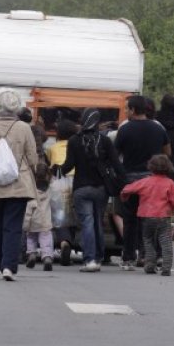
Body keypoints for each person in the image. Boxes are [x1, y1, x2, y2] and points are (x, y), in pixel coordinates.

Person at [0, 88, 38, 281]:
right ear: (16, 106)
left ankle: (1, 262)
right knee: (13, 226)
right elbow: (33, 158)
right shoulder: (24, 128)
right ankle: (8, 267)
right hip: (18, 184)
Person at [57, 108, 124, 272]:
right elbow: (117, 165)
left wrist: (56, 170)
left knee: (87, 223)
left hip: (81, 188)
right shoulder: (105, 141)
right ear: (98, 122)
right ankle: (99, 257)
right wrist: (124, 182)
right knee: (97, 223)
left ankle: (90, 259)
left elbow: (68, 166)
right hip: (101, 189)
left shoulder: (74, 140)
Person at [114, 95, 171, 269]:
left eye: (127, 109)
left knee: (130, 220)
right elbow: (167, 152)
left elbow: (116, 156)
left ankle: (129, 258)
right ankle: (149, 255)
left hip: (130, 180)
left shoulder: (125, 130)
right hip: (151, 180)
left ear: (132, 110)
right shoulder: (158, 129)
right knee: (150, 219)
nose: (126, 112)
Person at [120, 154, 174, 276]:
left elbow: (127, 189)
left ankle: (149, 265)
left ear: (151, 167)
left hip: (147, 217)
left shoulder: (145, 181)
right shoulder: (170, 183)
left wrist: (124, 196)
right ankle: (166, 267)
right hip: (163, 216)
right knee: (165, 241)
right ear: (168, 167)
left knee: (148, 240)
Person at [20, 108, 54, 272]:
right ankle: (47, 255)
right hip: (42, 189)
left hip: (28, 180)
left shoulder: (20, 131)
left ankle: (31, 253)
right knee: (45, 232)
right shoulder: (37, 131)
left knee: (30, 232)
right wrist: (41, 125)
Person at [46, 119, 77, 266]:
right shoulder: (77, 145)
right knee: (73, 215)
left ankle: (64, 242)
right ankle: (69, 244)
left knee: (60, 216)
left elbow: (51, 166)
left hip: (58, 182)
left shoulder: (53, 148)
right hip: (76, 181)